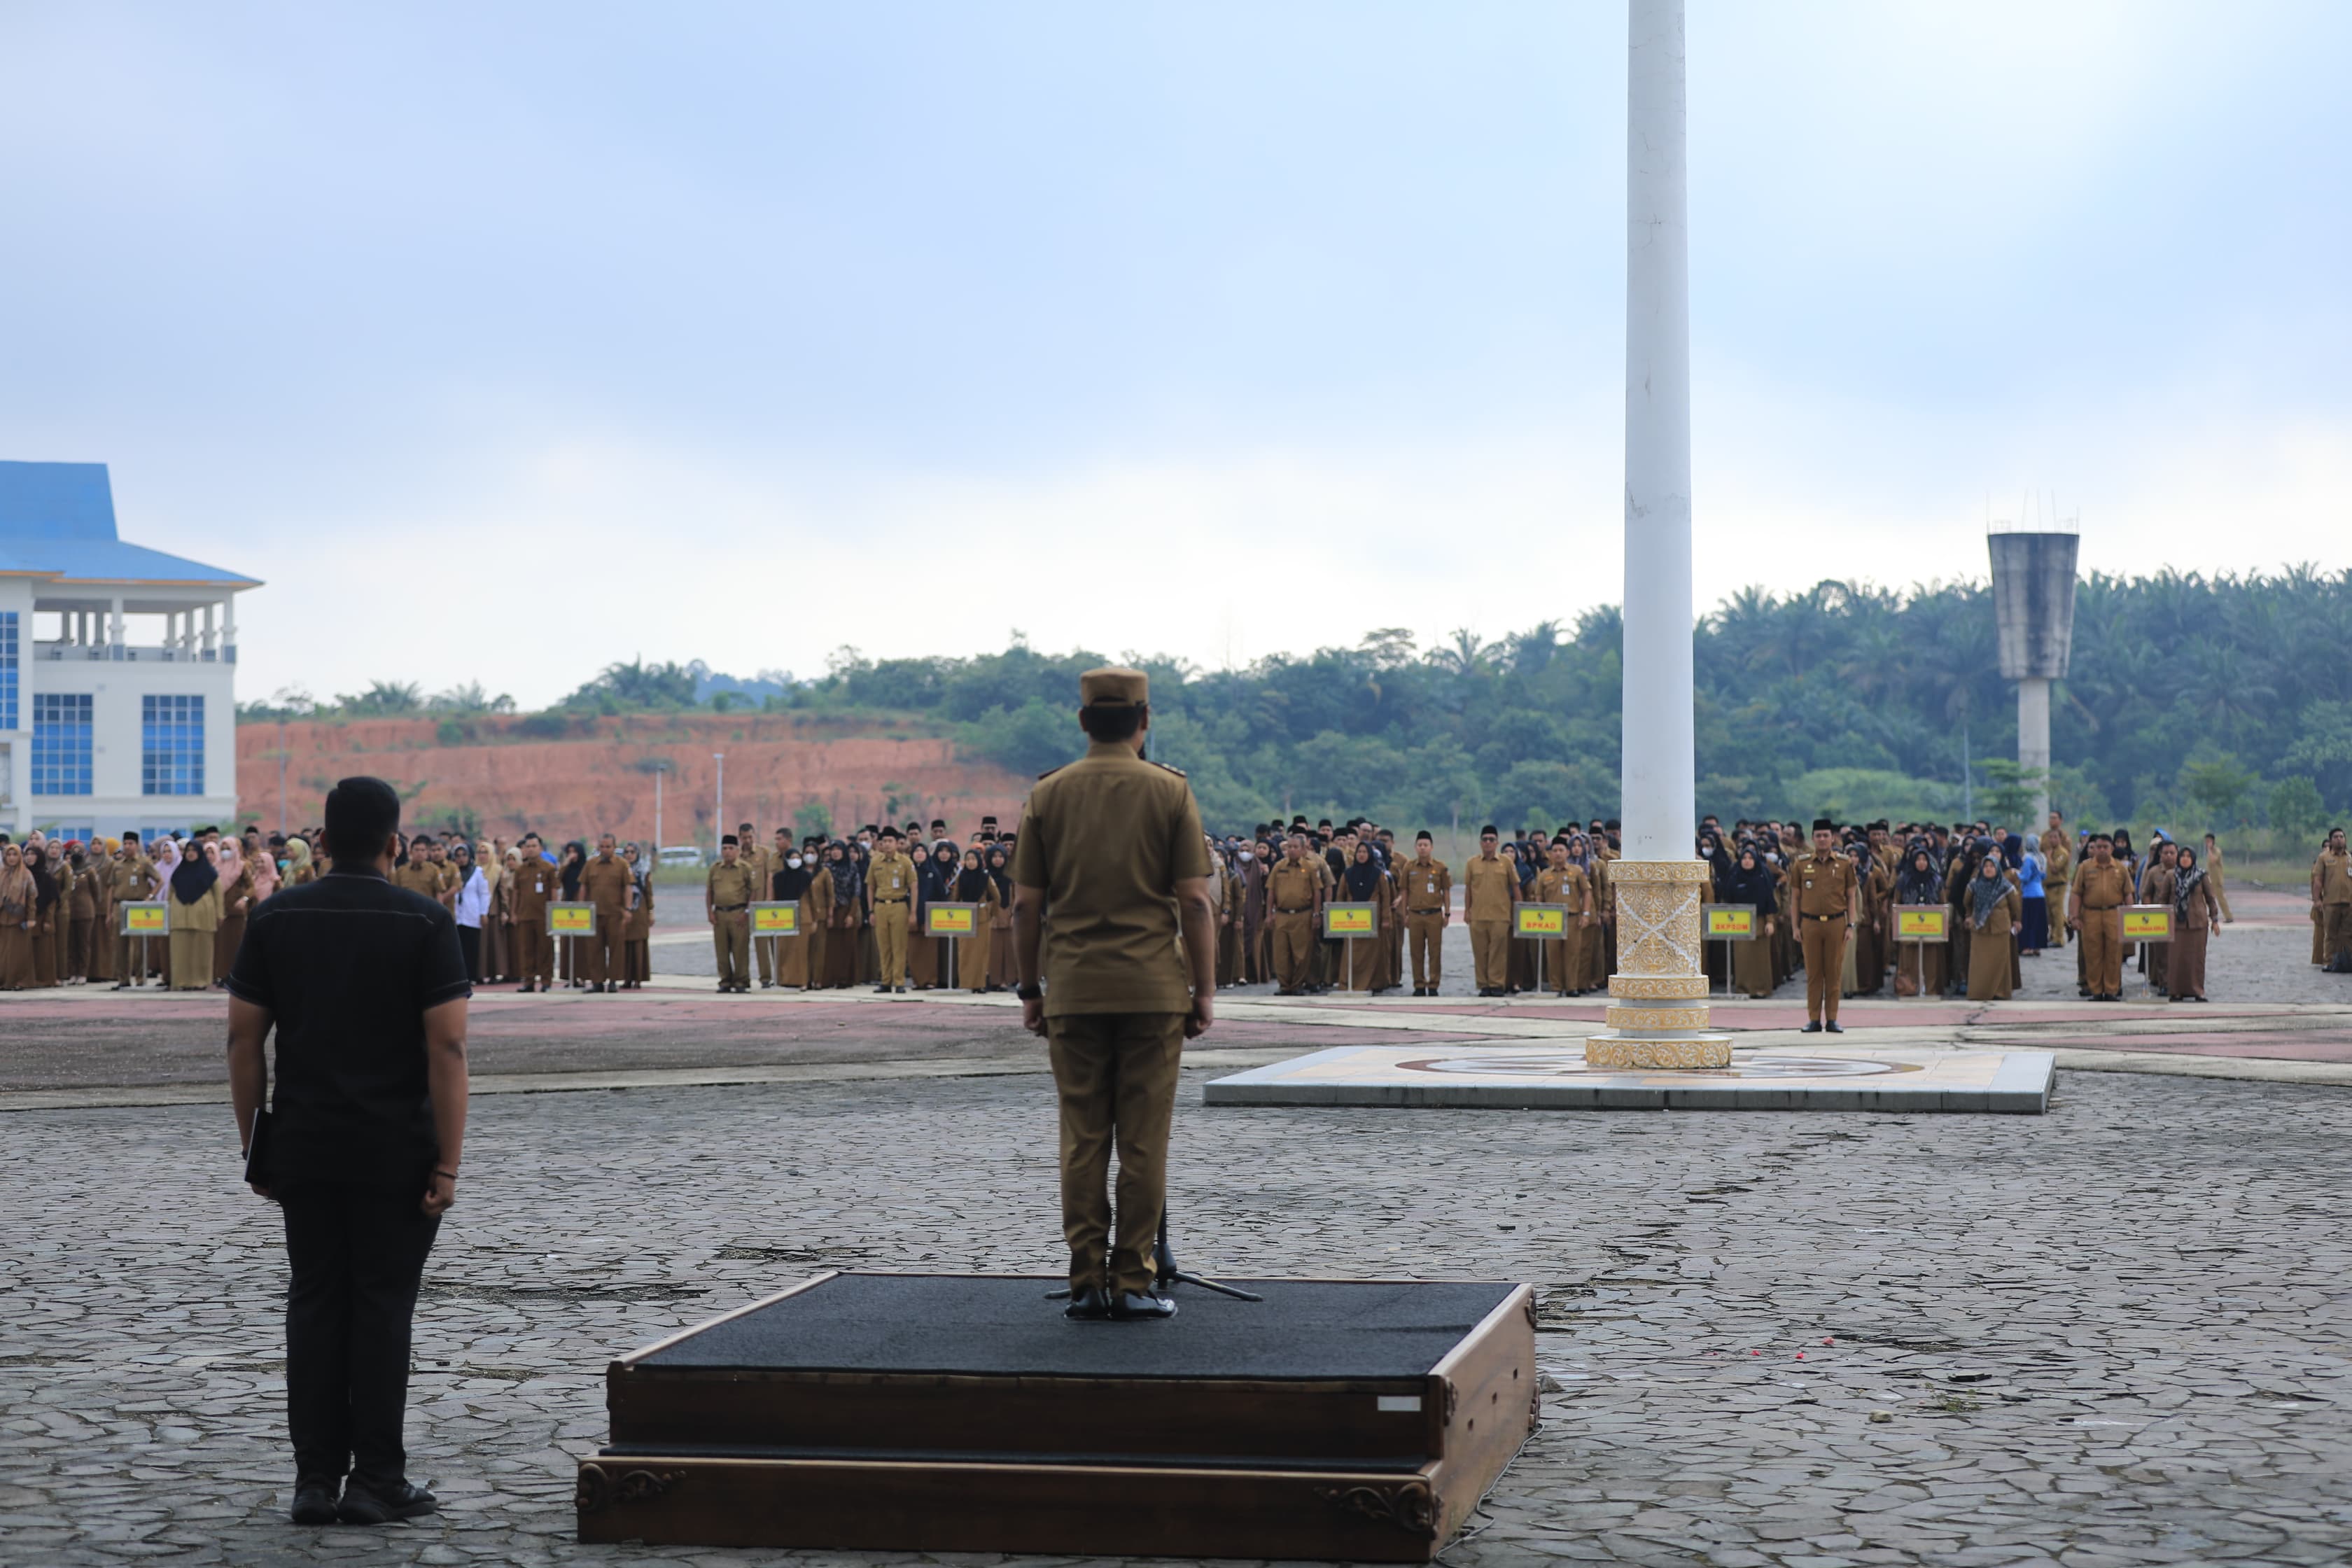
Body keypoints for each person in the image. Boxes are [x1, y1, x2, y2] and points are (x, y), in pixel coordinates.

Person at [225, 774, 470, 1527]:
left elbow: (243, 1038)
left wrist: (257, 1144)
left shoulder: (276, 917)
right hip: (395, 1148)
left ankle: (314, 1478)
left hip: (306, 1143)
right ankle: (377, 1478)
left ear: (321, 841)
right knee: (383, 1306)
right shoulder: (426, 922)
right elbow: (449, 1045)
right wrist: (449, 1161)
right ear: (395, 842)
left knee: (316, 1301)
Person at [1009, 666, 1215, 1322]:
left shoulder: (1048, 796)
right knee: (1145, 1143)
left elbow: (1023, 907)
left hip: (1071, 989)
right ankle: (1132, 1281)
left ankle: (1085, 1281)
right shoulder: (1170, 793)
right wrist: (1204, 992)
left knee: (1083, 1139)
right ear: (1144, 720)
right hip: (1154, 990)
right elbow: (1195, 901)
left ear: (1081, 722)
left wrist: (1028, 988)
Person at [1791, 818, 1859, 1032]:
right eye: (1818, 836)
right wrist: (1795, 927)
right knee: (1813, 973)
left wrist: (1851, 925)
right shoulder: (1801, 864)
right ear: (1813, 838)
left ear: (1833, 838)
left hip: (1836, 923)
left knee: (1834, 972)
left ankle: (1832, 1019)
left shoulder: (1844, 863)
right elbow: (1795, 898)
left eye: (1826, 835)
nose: (1822, 839)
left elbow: (1851, 897)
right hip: (1810, 924)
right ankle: (1813, 1019)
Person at [2069, 832, 2134, 1001]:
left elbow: (2128, 894)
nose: (2102, 850)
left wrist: (2130, 915)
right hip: (2091, 914)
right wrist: (2074, 917)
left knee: (2114, 954)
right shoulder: (2085, 867)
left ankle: (2112, 990)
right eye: (2099, 847)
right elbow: (2076, 893)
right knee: (2092, 954)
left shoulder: (2121, 868)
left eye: (2106, 847)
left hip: (2114, 914)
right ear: (2094, 848)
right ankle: (2096, 990)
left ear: (2112, 848)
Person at [1462, 827, 1518, 997]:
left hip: (1500, 915)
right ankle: (1483, 985)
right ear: (1480, 843)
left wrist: (1518, 911)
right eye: (1485, 839)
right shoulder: (1472, 863)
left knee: (1498, 952)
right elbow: (1468, 889)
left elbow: (1515, 887)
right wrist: (1467, 910)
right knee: (1480, 952)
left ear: (1497, 843)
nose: (1488, 843)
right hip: (1478, 915)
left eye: (1491, 839)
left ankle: (1496, 984)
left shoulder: (1506, 862)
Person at [1264, 834, 1321, 995]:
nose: (1292, 850)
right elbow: (1271, 892)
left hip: (1303, 914)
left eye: (1296, 847)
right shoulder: (1279, 867)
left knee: (1301, 954)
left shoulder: (1310, 867)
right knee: (1281, 953)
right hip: (1282, 915)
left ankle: (1297, 985)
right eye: (1289, 847)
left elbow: (1317, 892)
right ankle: (1284, 985)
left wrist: (1317, 914)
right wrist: (1269, 914)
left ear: (1303, 849)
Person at [1397, 831, 1452, 997]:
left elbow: (1446, 891)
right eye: (1420, 845)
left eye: (1425, 845)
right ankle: (1419, 984)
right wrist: (1404, 914)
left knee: (1435, 952)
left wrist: (1447, 913)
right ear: (1415, 847)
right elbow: (1404, 891)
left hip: (1434, 915)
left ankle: (1434, 984)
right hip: (1415, 915)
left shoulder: (1440, 867)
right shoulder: (1409, 867)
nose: (1422, 848)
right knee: (1416, 951)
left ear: (1431, 847)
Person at [1722, 846, 1780, 998]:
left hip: (1760, 922)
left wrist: (1770, 922)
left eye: (1751, 859)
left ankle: (1762, 989)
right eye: (1745, 859)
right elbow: (1727, 900)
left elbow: (1770, 902)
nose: (1747, 862)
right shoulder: (1734, 878)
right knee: (1742, 958)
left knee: (1760, 958)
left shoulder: (1763, 877)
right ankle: (1743, 989)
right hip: (1739, 922)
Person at [1962, 853, 2022, 1000]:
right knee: (1980, 962)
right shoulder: (1975, 885)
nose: (1988, 869)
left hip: (2000, 928)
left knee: (2001, 961)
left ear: (1997, 868)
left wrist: (2017, 921)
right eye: (1986, 866)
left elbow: (2016, 906)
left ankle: (2000, 992)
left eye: (1992, 866)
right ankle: (1979, 992)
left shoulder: (2006, 886)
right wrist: (1969, 916)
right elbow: (1966, 903)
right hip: (1980, 928)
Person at [867, 828, 919, 993]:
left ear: (897, 843)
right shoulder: (875, 862)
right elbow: (870, 886)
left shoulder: (905, 862)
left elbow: (914, 886)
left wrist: (913, 912)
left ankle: (899, 981)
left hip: (899, 905)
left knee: (899, 945)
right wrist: (871, 911)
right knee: (883, 946)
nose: (887, 845)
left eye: (891, 841)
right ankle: (886, 981)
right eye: (884, 842)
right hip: (880, 906)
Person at [167, 842, 225, 990]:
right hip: (180, 916)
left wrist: (220, 914)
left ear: (200, 853)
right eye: (188, 851)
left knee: (202, 950)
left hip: (203, 917)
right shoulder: (178, 872)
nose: (191, 853)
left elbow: (218, 895)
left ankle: (201, 981)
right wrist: (167, 913)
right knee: (180, 951)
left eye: (194, 851)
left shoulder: (210, 873)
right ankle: (181, 981)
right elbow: (170, 893)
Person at [2168, 846, 2221, 1002]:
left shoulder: (2201, 876)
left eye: (2188, 856)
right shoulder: (2171, 876)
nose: (2185, 859)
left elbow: (2211, 899)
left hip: (2198, 924)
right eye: (2182, 856)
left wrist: (2215, 920)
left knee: (2197, 959)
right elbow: (2162, 900)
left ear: (2193, 859)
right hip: (2176, 924)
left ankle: (2198, 990)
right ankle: (2176, 991)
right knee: (2176, 959)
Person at [507, 834, 559, 993]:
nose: (530, 849)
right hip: (525, 915)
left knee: (545, 950)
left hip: (543, 916)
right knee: (526, 950)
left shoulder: (548, 868)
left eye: (533, 846)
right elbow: (516, 892)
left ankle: (546, 982)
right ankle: (528, 982)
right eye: (527, 846)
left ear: (540, 848)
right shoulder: (520, 870)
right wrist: (514, 913)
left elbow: (554, 891)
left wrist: (553, 912)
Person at [580, 835, 631, 994]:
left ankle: (613, 981)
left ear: (614, 847)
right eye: (602, 846)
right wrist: (582, 908)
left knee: (616, 949)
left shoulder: (622, 865)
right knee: (594, 949)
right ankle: (597, 982)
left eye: (608, 846)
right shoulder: (590, 864)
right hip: (594, 914)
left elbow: (627, 888)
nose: (605, 850)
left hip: (615, 914)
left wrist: (628, 909)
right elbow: (583, 886)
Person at [705, 835, 757, 993]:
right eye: (724, 848)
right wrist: (710, 913)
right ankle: (725, 980)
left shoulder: (745, 868)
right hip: (720, 914)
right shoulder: (715, 868)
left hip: (738, 913)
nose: (727, 852)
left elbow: (753, 892)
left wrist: (747, 912)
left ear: (737, 850)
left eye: (731, 848)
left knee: (740, 950)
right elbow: (709, 892)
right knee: (721, 950)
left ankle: (741, 981)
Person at [953, 848, 1000, 990]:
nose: (971, 862)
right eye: (968, 860)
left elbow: (997, 897)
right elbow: (955, 897)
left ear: (979, 861)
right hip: (964, 918)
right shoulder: (961, 876)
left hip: (982, 919)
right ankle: (965, 984)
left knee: (980, 953)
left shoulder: (985, 876)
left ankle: (979, 985)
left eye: (973, 859)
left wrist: (991, 913)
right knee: (964, 952)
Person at [450, 841, 490, 985]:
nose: (461, 858)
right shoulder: (452, 872)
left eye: (464, 855)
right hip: (456, 915)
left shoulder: (477, 872)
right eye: (458, 855)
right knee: (457, 948)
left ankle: (471, 976)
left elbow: (484, 894)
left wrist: (483, 913)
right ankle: (460, 977)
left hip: (472, 914)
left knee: (472, 947)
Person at [2315, 828, 2352, 972]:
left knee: (2348, 935)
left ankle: (2347, 961)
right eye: (2336, 837)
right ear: (2331, 840)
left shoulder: (2350, 858)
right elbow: (2318, 880)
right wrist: (2317, 899)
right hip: (2331, 903)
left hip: (2349, 904)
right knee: (2330, 934)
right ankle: (2329, 961)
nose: (2339, 839)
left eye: (2342, 837)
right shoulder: (2324, 858)